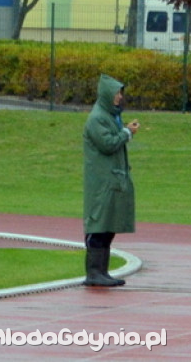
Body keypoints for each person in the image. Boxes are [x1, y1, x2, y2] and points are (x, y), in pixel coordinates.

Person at [82, 74, 139, 287]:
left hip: (111, 179)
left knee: (108, 226)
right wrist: (126, 133)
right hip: (101, 182)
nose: (119, 97)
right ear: (107, 95)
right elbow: (107, 144)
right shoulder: (97, 118)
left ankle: (102, 271)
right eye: (116, 93)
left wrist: (125, 131)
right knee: (99, 225)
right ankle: (94, 272)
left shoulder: (109, 116)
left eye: (120, 93)